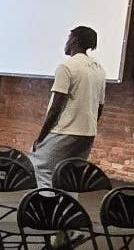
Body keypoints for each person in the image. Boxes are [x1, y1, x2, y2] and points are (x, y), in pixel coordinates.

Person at [31, 25, 107, 186]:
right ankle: (67, 209)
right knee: (70, 176)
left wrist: (41, 138)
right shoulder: (99, 69)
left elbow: (56, 107)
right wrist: (90, 126)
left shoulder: (66, 67)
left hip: (65, 131)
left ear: (74, 40)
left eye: (68, 38)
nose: (66, 42)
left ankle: (46, 207)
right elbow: (100, 107)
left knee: (41, 166)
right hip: (88, 133)